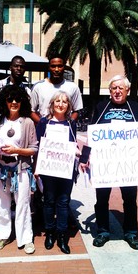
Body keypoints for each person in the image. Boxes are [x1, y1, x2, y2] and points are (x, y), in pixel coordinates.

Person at [89, 75, 138, 250]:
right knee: (102, 199)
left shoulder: (135, 107)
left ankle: (130, 232)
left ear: (127, 90)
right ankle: (103, 231)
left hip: (127, 165)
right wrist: (85, 158)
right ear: (110, 91)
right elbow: (92, 133)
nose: (117, 91)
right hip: (105, 163)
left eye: (121, 88)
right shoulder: (101, 107)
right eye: (114, 88)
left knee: (130, 199)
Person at [0, 84, 38, 254]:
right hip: (0, 167)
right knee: (0, 202)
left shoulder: (28, 122)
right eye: (10, 99)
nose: (14, 102)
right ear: (5, 101)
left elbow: (34, 148)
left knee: (23, 203)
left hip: (21, 168)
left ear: (23, 101)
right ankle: (2, 235)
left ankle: (26, 239)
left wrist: (17, 150)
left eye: (17, 99)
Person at [0, 55, 29, 231]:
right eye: (16, 66)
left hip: (18, 142)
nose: (19, 69)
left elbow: (28, 113)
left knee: (18, 180)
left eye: (22, 67)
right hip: (0, 140)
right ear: (10, 67)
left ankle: (14, 214)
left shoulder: (27, 89)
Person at [35, 91, 79, 254]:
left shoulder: (70, 123)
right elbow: (38, 146)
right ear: (52, 104)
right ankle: (50, 233)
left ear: (68, 106)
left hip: (65, 170)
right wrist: (36, 168)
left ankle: (62, 235)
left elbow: (73, 144)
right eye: (58, 101)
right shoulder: (44, 123)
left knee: (63, 202)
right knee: (49, 201)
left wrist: (77, 151)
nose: (61, 104)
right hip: (48, 169)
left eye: (65, 102)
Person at [30, 54, 83, 124]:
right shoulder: (38, 87)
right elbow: (31, 111)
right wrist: (42, 124)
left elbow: (77, 111)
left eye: (60, 66)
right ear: (49, 67)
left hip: (65, 131)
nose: (56, 69)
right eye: (53, 66)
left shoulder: (73, 87)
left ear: (64, 67)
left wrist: (68, 124)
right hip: (44, 131)